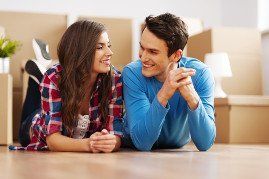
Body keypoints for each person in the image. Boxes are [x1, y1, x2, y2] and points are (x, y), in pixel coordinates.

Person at [12, 20, 124, 152]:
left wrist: (110, 142)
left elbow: (116, 133)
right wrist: (90, 144)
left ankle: (39, 74)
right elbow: (53, 140)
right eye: (100, 47)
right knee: (30, 120)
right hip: (36, 131)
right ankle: (35, 80)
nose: (110, 52)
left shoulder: (114, 79)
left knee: (45, 96)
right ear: (80, 51)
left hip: (59, 110)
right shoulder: (54, 77)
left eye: (108, 45)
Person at [122, 13, 216, 151]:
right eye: (142, 47)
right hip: (133, 149)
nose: (143, 57)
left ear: (176, 55)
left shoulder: (200, 74)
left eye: (153, 52)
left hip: (176, 150)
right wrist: (164, 93)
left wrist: (192, 98)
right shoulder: (132, 73)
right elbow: (142, 143)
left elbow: (205, 143)